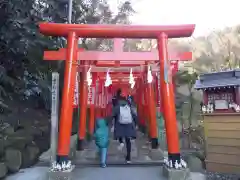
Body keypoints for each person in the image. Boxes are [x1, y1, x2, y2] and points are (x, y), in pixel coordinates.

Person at [112, 89, 137, 163]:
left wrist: (112, 124)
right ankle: (128, 158)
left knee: (119, 135)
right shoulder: (128, 106)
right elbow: (134, 116)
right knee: (128, 140)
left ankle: (121, 142)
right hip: (129, 125)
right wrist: (136, 124)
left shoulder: (117, 106)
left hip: (120, 125)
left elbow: (113, 115)